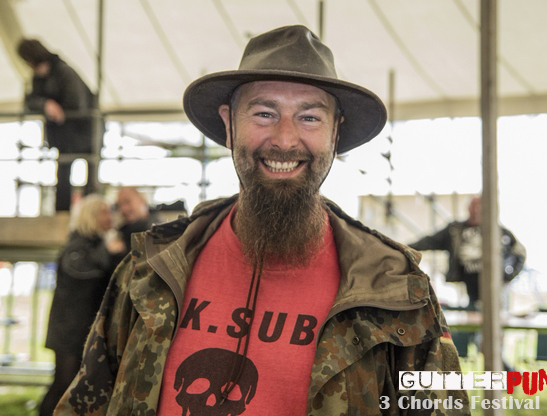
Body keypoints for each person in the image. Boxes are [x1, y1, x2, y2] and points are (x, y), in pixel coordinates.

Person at [56, 26, 467, 415]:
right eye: (265, 114)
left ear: (335, 133)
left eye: (309, 117)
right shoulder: (151, 268)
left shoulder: (394, 288)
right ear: (229, 125)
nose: (285, 139)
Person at [40, 195, 124, 416]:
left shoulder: (97, 244)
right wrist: (109, 251)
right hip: (69, 330)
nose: (110, 216)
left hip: (84, 328)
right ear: (91, 216)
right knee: (63, 382)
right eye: (104, 212)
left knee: (77, 385)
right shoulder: (77, 245)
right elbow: (86, 273)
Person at [17, 39, 97, 212]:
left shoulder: (63, 71)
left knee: (89, 175)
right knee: (63, 175)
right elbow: (30, 101)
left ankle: (88, 212)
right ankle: (62, 212)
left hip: (84, 132)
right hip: (65, 137)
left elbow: (77, 103)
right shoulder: (40, 77)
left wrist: (58, 108)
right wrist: (46, 104)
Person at [409, 196, 526, 309]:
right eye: (473, 207)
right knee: (470, 313)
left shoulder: (500, 232)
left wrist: (509, 275)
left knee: (496, 312)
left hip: (496, 286)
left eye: (480, 207)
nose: (476, 211)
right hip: (467, 285)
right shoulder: (455, 231)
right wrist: (404, 248)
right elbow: (429, 241)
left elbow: (520, 253)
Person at [114, 187, 156, 256]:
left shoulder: (158, 232)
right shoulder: (121, 234)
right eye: (119, 205)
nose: (123, 209)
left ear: (142, 200)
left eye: (127, 202)